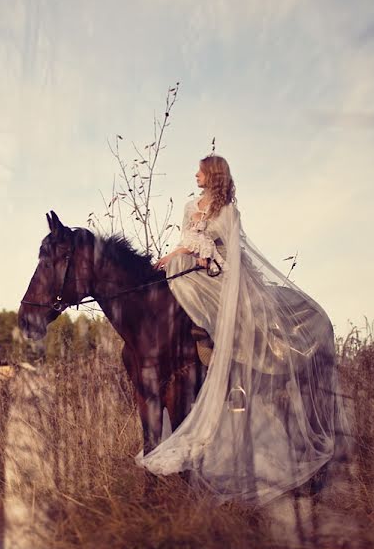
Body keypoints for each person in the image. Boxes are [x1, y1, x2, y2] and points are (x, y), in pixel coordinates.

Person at [139, 154, 349, 505]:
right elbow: (186, 240)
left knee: (217, 297)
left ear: (213, 175)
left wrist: (210, 262)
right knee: (173, 274)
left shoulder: (229, 212)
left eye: (200, 170)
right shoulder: (192, 205)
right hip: (192, 265)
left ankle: (214, 340)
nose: (195, 174)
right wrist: (176, 255)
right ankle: (190, 335)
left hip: (222, 271)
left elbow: (231, 252)